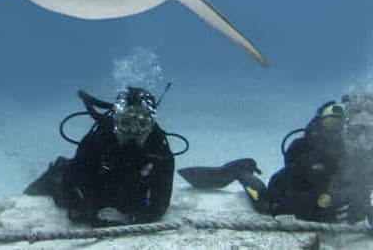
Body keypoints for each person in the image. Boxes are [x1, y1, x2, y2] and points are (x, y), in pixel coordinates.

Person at [179, 92, 373, 224]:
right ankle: (241, 171)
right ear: (321, 124)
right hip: (290, 194)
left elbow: (363, 181)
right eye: (331, 125)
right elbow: (293, 167)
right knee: (264, 204)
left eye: (341, 128)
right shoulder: (305, 144)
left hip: (330, 203)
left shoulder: (356, 152)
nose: (336, 133)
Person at [25, 87, 175, 225]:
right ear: (116, 122)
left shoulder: (160, 152)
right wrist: (87, 211)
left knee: (128, 201)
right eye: (125, 123)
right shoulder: (97, 140)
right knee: (67, 202)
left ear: (152, 124)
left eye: (142, 124)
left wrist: (128, 218)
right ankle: (56, 170)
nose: (133, 132)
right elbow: (70, 181)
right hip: (98, 184)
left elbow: (159, 206)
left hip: (131, 192)